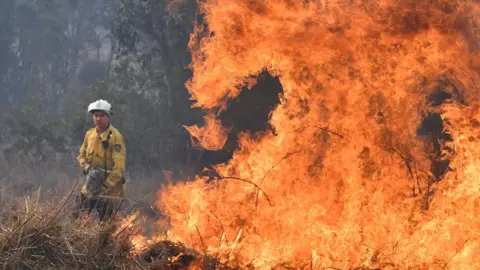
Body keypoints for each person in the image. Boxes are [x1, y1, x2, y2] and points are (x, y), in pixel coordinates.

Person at [73, 99, 127, 221]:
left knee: (106, 227)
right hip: (90, 187)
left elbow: (118, 170)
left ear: (108, 117)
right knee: (77, 219)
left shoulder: (116, 138)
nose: (98, 118)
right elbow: (81, 155)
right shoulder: (89, 135)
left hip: (109, 192)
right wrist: (86, 166)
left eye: (102, 115)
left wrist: (103, 188)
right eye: (96, 115)